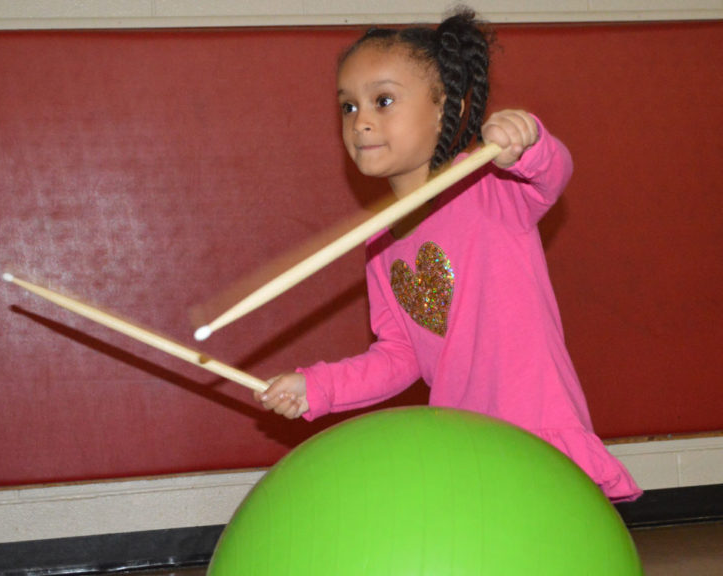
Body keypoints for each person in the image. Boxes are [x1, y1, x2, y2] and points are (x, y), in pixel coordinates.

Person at [255, 7, 642, 502]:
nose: (362, 122)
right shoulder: (380, 243)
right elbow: (399, 358)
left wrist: (529, 143)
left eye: (383, 100)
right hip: (464, 438)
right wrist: (317, 388)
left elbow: (552, 176)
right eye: (348, 107)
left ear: (448, 108)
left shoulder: (485, 183)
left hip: (534, 430)